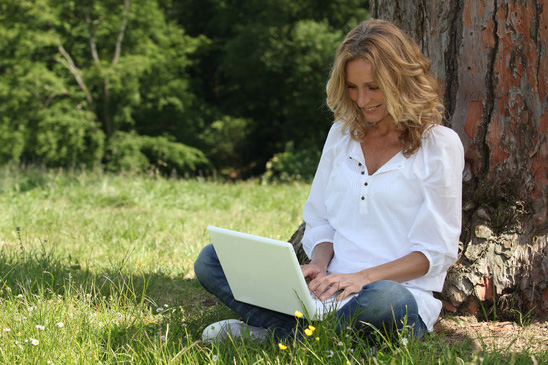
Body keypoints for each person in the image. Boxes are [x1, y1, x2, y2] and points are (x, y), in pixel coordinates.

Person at [194, 18, 464, 343]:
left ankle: (282, 336)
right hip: (327, 294)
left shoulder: (440, 145)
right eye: (352, 87)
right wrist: (320, 265)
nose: (362, 100)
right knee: (211, 259)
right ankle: (310, 337)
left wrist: (362, 278)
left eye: (373, 87)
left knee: (386, 299)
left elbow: (435, 252)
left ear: (401, 80)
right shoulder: (341, 134)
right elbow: (320, 220)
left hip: (394, 297)